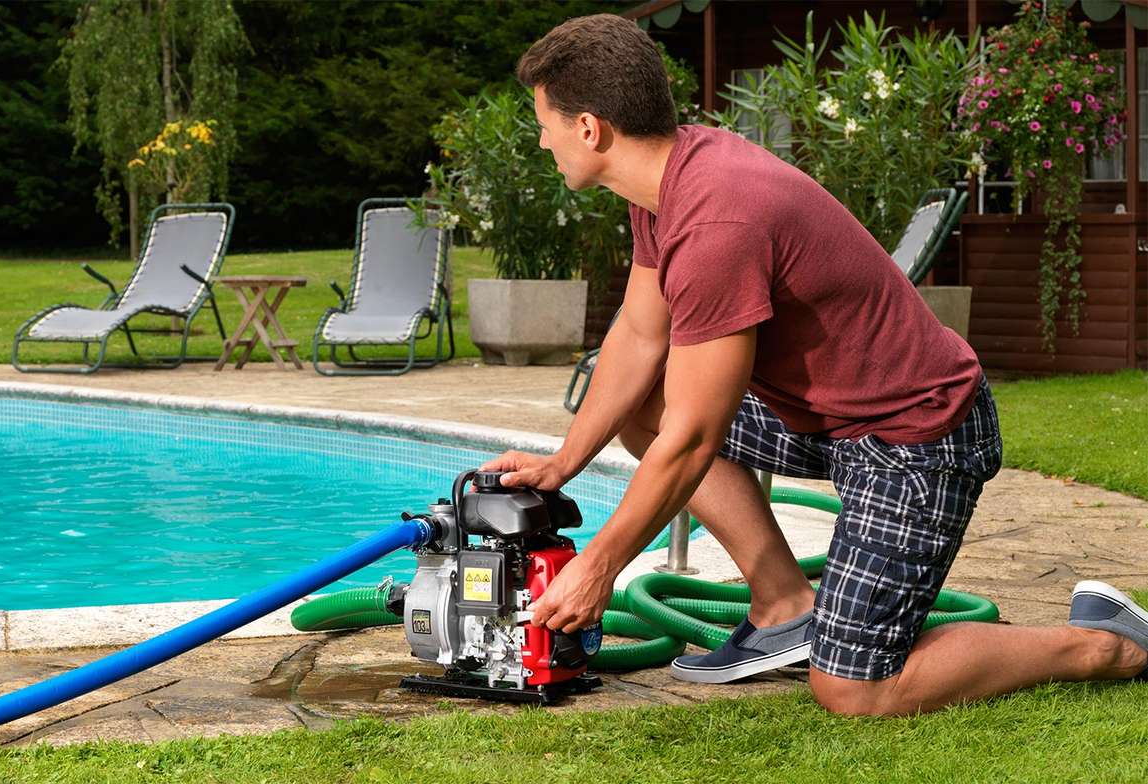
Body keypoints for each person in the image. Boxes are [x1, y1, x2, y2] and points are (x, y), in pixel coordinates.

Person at [482, 13, 1148, 716]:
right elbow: (641, 337)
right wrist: (565, 462)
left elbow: (694, 437)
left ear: (589, 128)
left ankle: (1104, 641)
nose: (542, 140)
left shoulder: (716, 222)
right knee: (646, 406)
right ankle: (783, 607)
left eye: (544, 125)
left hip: (916, 438)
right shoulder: (666, 182)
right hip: (832, 420)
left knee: (856, 689)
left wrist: (598, 566)